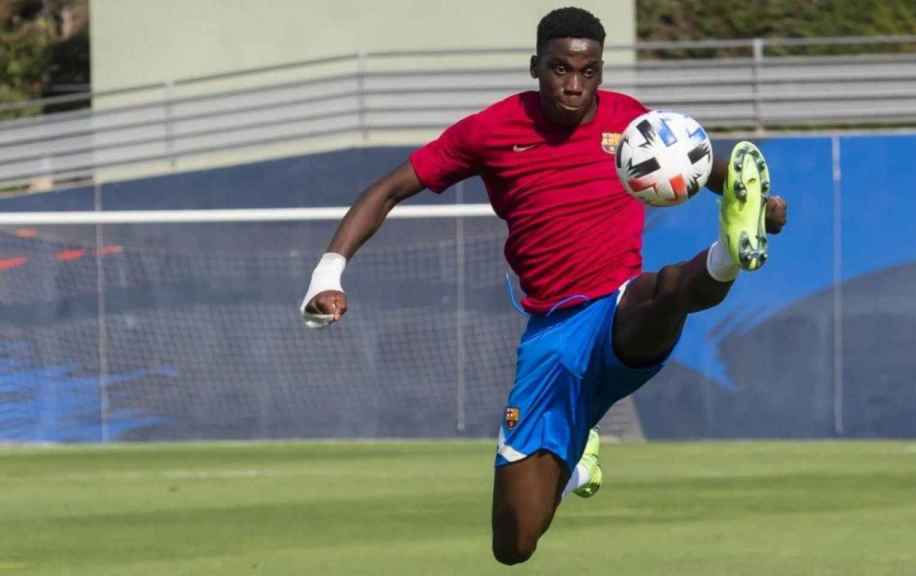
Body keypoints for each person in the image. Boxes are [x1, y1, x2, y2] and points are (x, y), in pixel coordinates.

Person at [300, 6, 788, 566]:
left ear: (601, 71)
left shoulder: (634, 124)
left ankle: (729, 253)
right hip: (551, 340)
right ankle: (577, 449)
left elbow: (712, 170)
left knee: (667, 290)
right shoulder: (490, 130)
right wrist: (328, 272)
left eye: (589, 71)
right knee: (514, 544)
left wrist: (757, 207)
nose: (574, 86)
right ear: (536, 66)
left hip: (617, 315)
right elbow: (389, 189)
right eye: (560, 69)